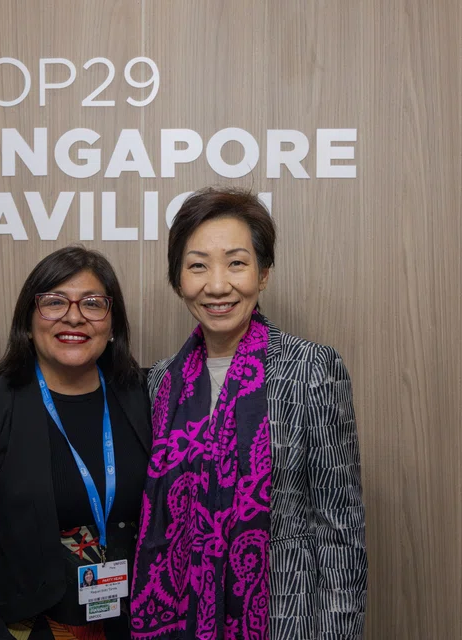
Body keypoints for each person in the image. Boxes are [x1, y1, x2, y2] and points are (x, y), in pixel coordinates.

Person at [130, 188, 368, 640]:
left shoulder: (310, 368)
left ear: (263, 275)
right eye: (198, 265)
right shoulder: (161, 382)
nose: (217, 285)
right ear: (178, 280)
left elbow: (339, 531)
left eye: (236, 263)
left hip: (284, 622)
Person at [0, 246, 151, 640]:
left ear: (113, 324)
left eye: (93, 303)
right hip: (20, 628)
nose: (74, 315)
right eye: (54, 302)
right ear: (28, 320)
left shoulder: (143, 396)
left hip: (126, 625)